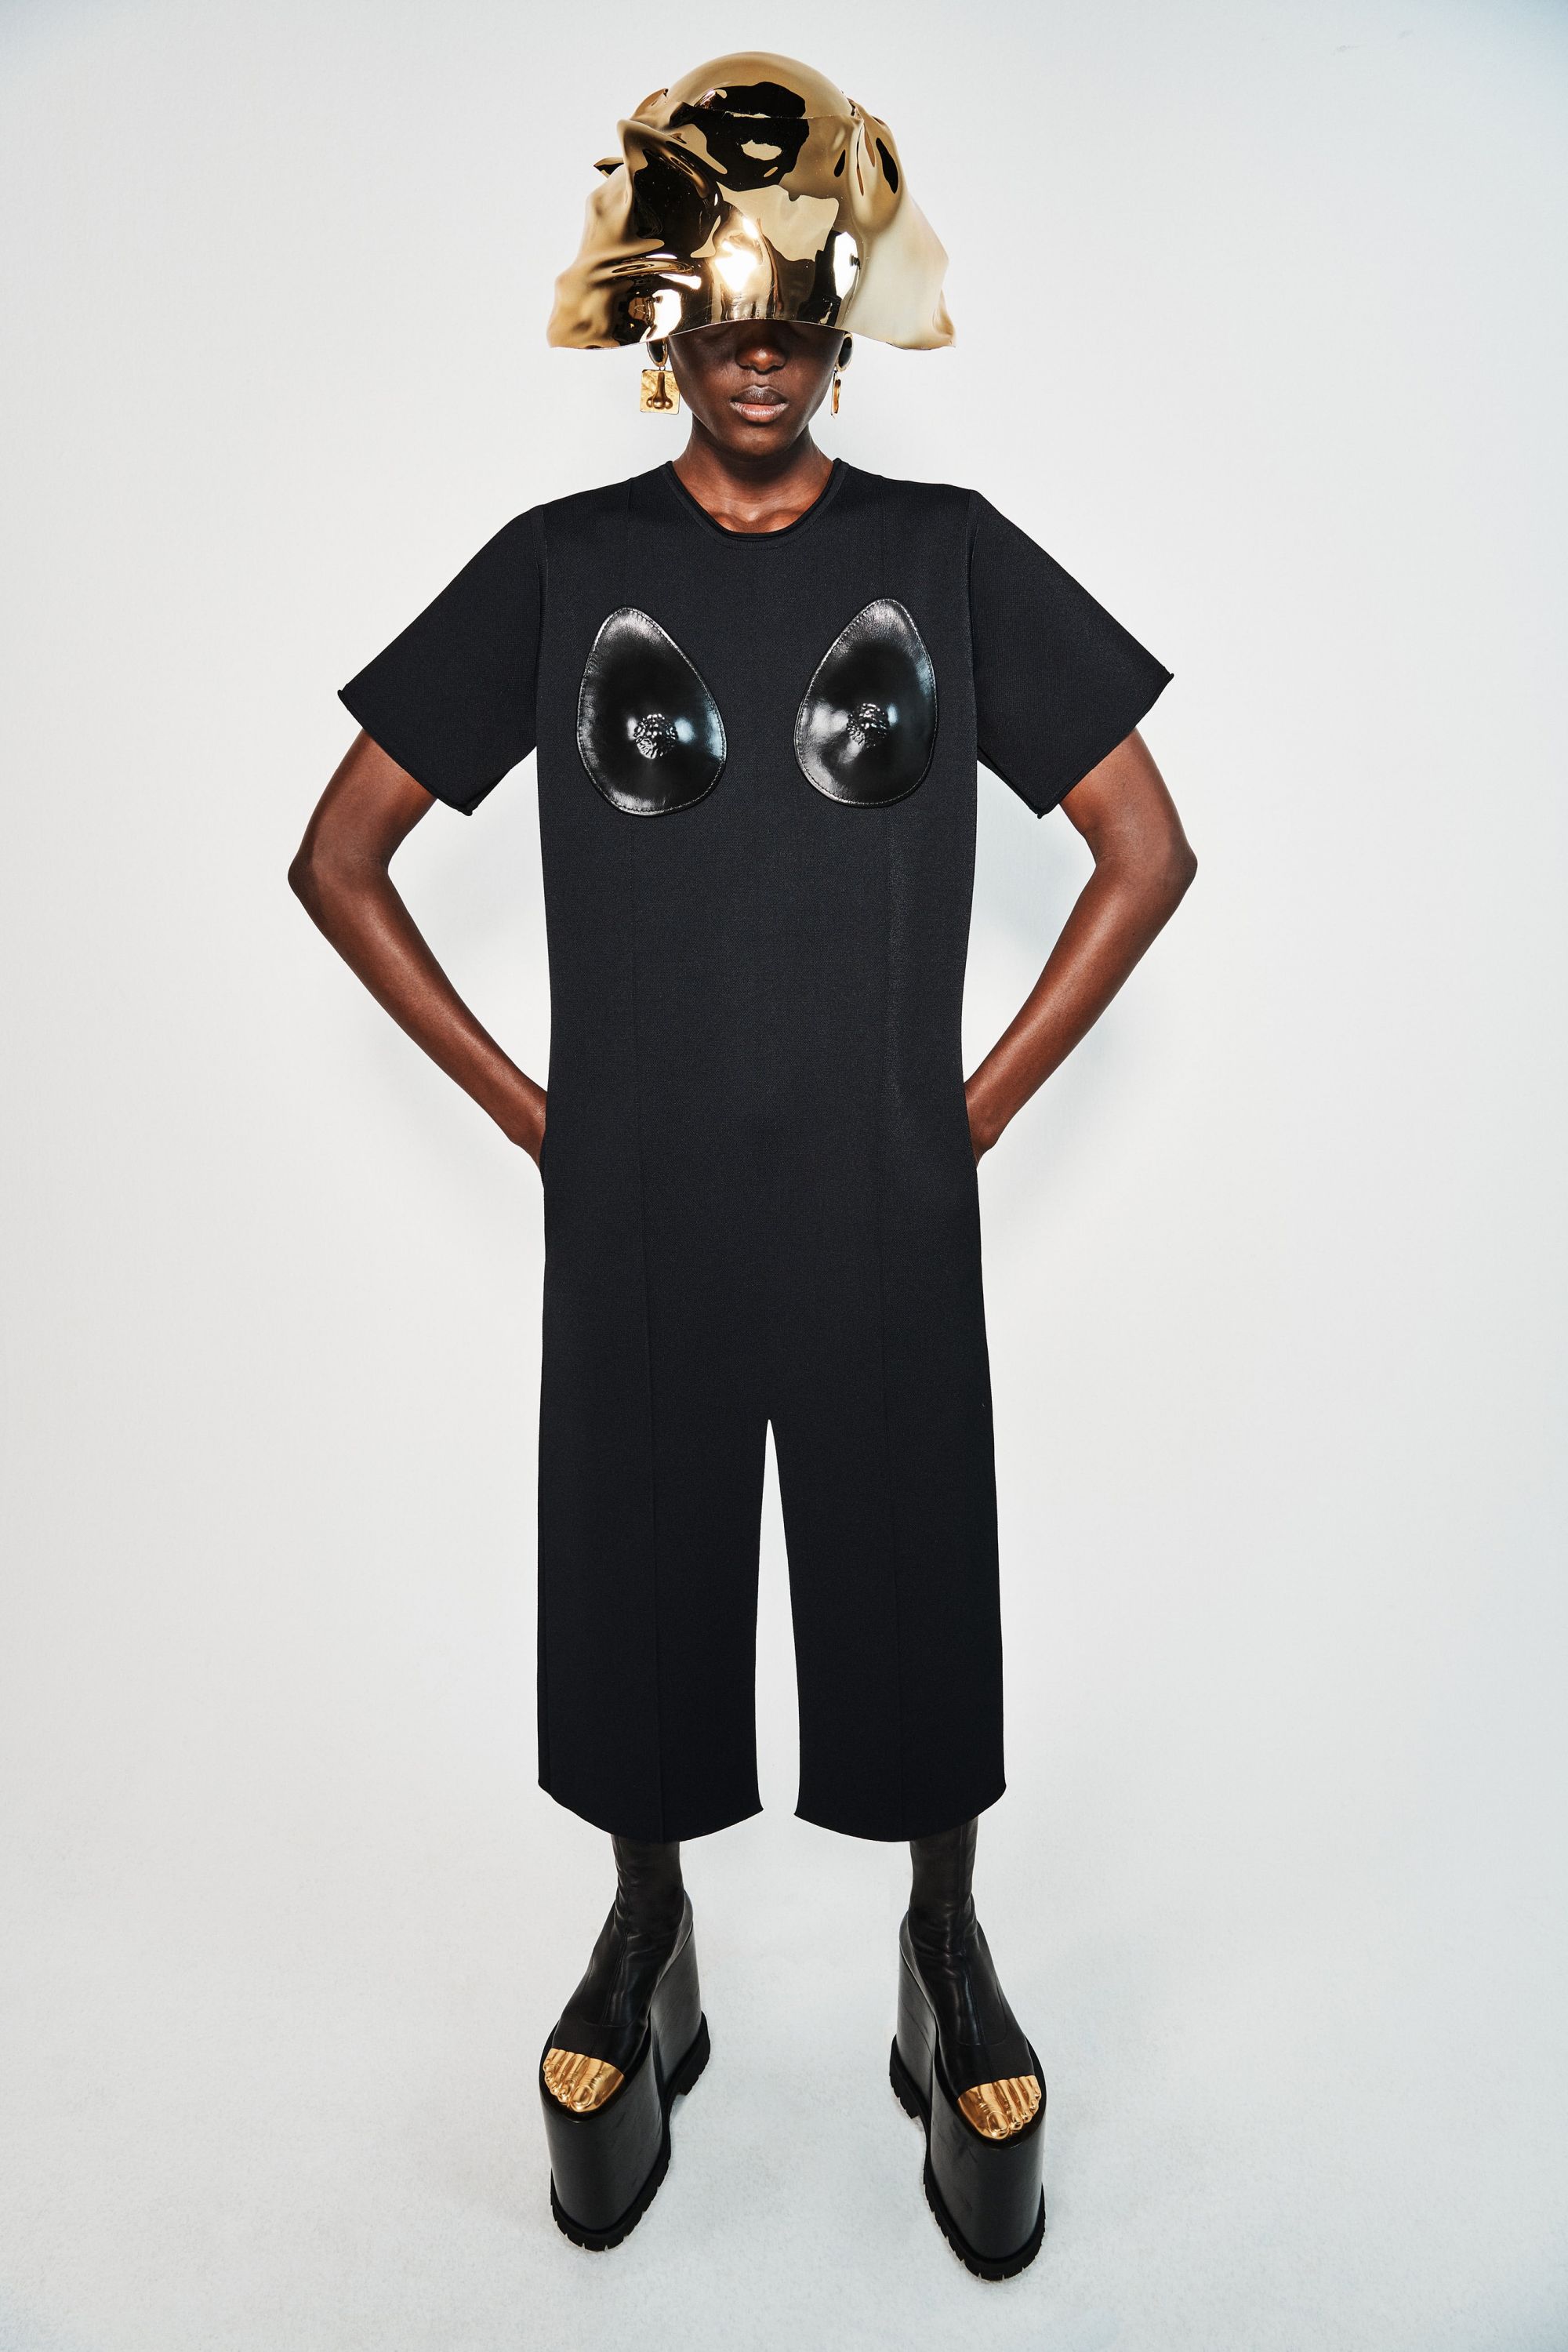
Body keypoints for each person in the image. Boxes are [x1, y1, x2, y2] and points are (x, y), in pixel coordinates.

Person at [289, 53, 1195, 2281]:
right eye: (722, 320)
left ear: (843, 321)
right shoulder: (562, 568)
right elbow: (339, 858)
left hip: (883, 1196)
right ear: (661, 330)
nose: (759, 356)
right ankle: (646, 1935)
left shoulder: (945, 559)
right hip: (642, 1211)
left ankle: (945, 1948)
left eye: (794, 318)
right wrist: (541, 1114)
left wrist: (969, 1108)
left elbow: (1144, 849)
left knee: (917, 1562)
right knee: (636, 1572)